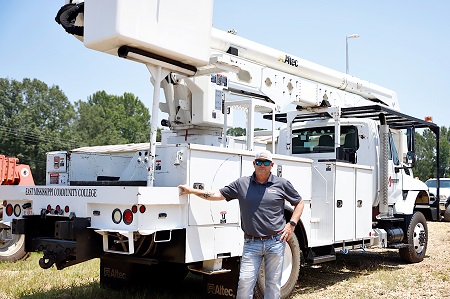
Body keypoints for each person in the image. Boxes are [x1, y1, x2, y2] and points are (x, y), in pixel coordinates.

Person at [178, 150, 304, 299]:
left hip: (275, 242)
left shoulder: (282, 184)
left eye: (265, 162)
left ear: (271, 165)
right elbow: (218, 194)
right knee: (245, 282)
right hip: (252, 243)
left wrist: (292, 224)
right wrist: (192, 191)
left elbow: (299, 202)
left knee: (273, 285)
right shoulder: (242, 183)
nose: (261, 165)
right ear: (254, 164)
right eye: (258, 162)